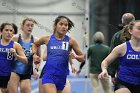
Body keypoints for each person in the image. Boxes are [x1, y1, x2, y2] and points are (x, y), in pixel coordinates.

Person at [32, 15, 85, 93]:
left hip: (62, 77)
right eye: (61, 24)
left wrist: (76, 56)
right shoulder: (47, 39)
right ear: (55, 25)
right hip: (48, 75)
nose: (64, 26)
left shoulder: (71, 41)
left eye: (66, 25)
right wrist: (34, 55)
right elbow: (35, 44)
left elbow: (82, 58)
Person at [98, 20, 140, 93]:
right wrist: (104, 70)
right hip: (124, 83)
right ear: (130, 31)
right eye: (139, 28)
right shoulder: (122, 48)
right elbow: (105, 61)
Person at [8, 18, 41, 93]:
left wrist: (36, 69)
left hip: (27, 71)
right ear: (22, 26)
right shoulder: (15, 38)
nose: (30, 27)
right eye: (28, 25)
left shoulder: (35, 40)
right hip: (14, 70)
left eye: (32, 25)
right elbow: (8, 53)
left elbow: (39, 58)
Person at [0, 22, 27, 93]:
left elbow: (25, 61)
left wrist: (16, 55)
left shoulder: (16, 45)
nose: (9, 32)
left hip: (8, 76)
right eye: (6, 30)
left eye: (11, 31)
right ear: (1, 32)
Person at [108, 13, 135, 84]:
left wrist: (112, 74)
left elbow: (112, 55)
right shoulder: (137, 34)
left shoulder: (116, 36)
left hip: (122, 72)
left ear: (122, 22)